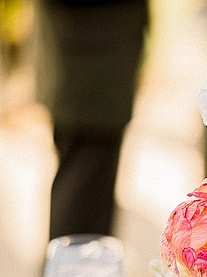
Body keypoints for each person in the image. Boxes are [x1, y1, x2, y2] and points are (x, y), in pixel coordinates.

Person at [34, 0, 149, 240]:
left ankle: (77, 272)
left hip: (96, 69)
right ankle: (70, 275)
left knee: (90, 202)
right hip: (88, 72)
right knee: (81, 209)